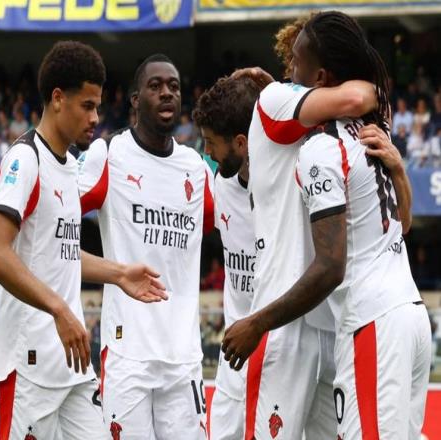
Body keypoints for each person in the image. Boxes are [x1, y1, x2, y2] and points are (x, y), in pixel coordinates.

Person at [223, 11, 430, 440]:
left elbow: (331, 267)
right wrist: (399, 168)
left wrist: (256, 323)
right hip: (409, 313)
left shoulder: (322, 147)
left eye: (295, 63)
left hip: (368, 319)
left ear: (320, 77)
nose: (288, 75)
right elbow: (403, 224)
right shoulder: (372, 130)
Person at [0, 41, 167, 440]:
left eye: (97, 106)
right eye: (87, 106)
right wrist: (59, 309)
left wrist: (119, 273)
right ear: (57, 99)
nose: (95, 117)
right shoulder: (25, 159)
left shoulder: (69, 165)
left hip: (72, 363)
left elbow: (60, 253)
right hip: (27, 361)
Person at [78, 54, 214, 439]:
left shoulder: (196, 167)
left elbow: (225, 222)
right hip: (128, 356)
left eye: (174, 86)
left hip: (183, 357)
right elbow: (56, 223)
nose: (167, 93)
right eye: (155, 86)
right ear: (135, 100)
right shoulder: (110, 154)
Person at [192, 76, 259, 440]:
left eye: (211, 143)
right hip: (234, 355)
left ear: (241, 142)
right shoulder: (220, 182)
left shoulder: (288, 183)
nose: (207, 152)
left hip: (280, 350)